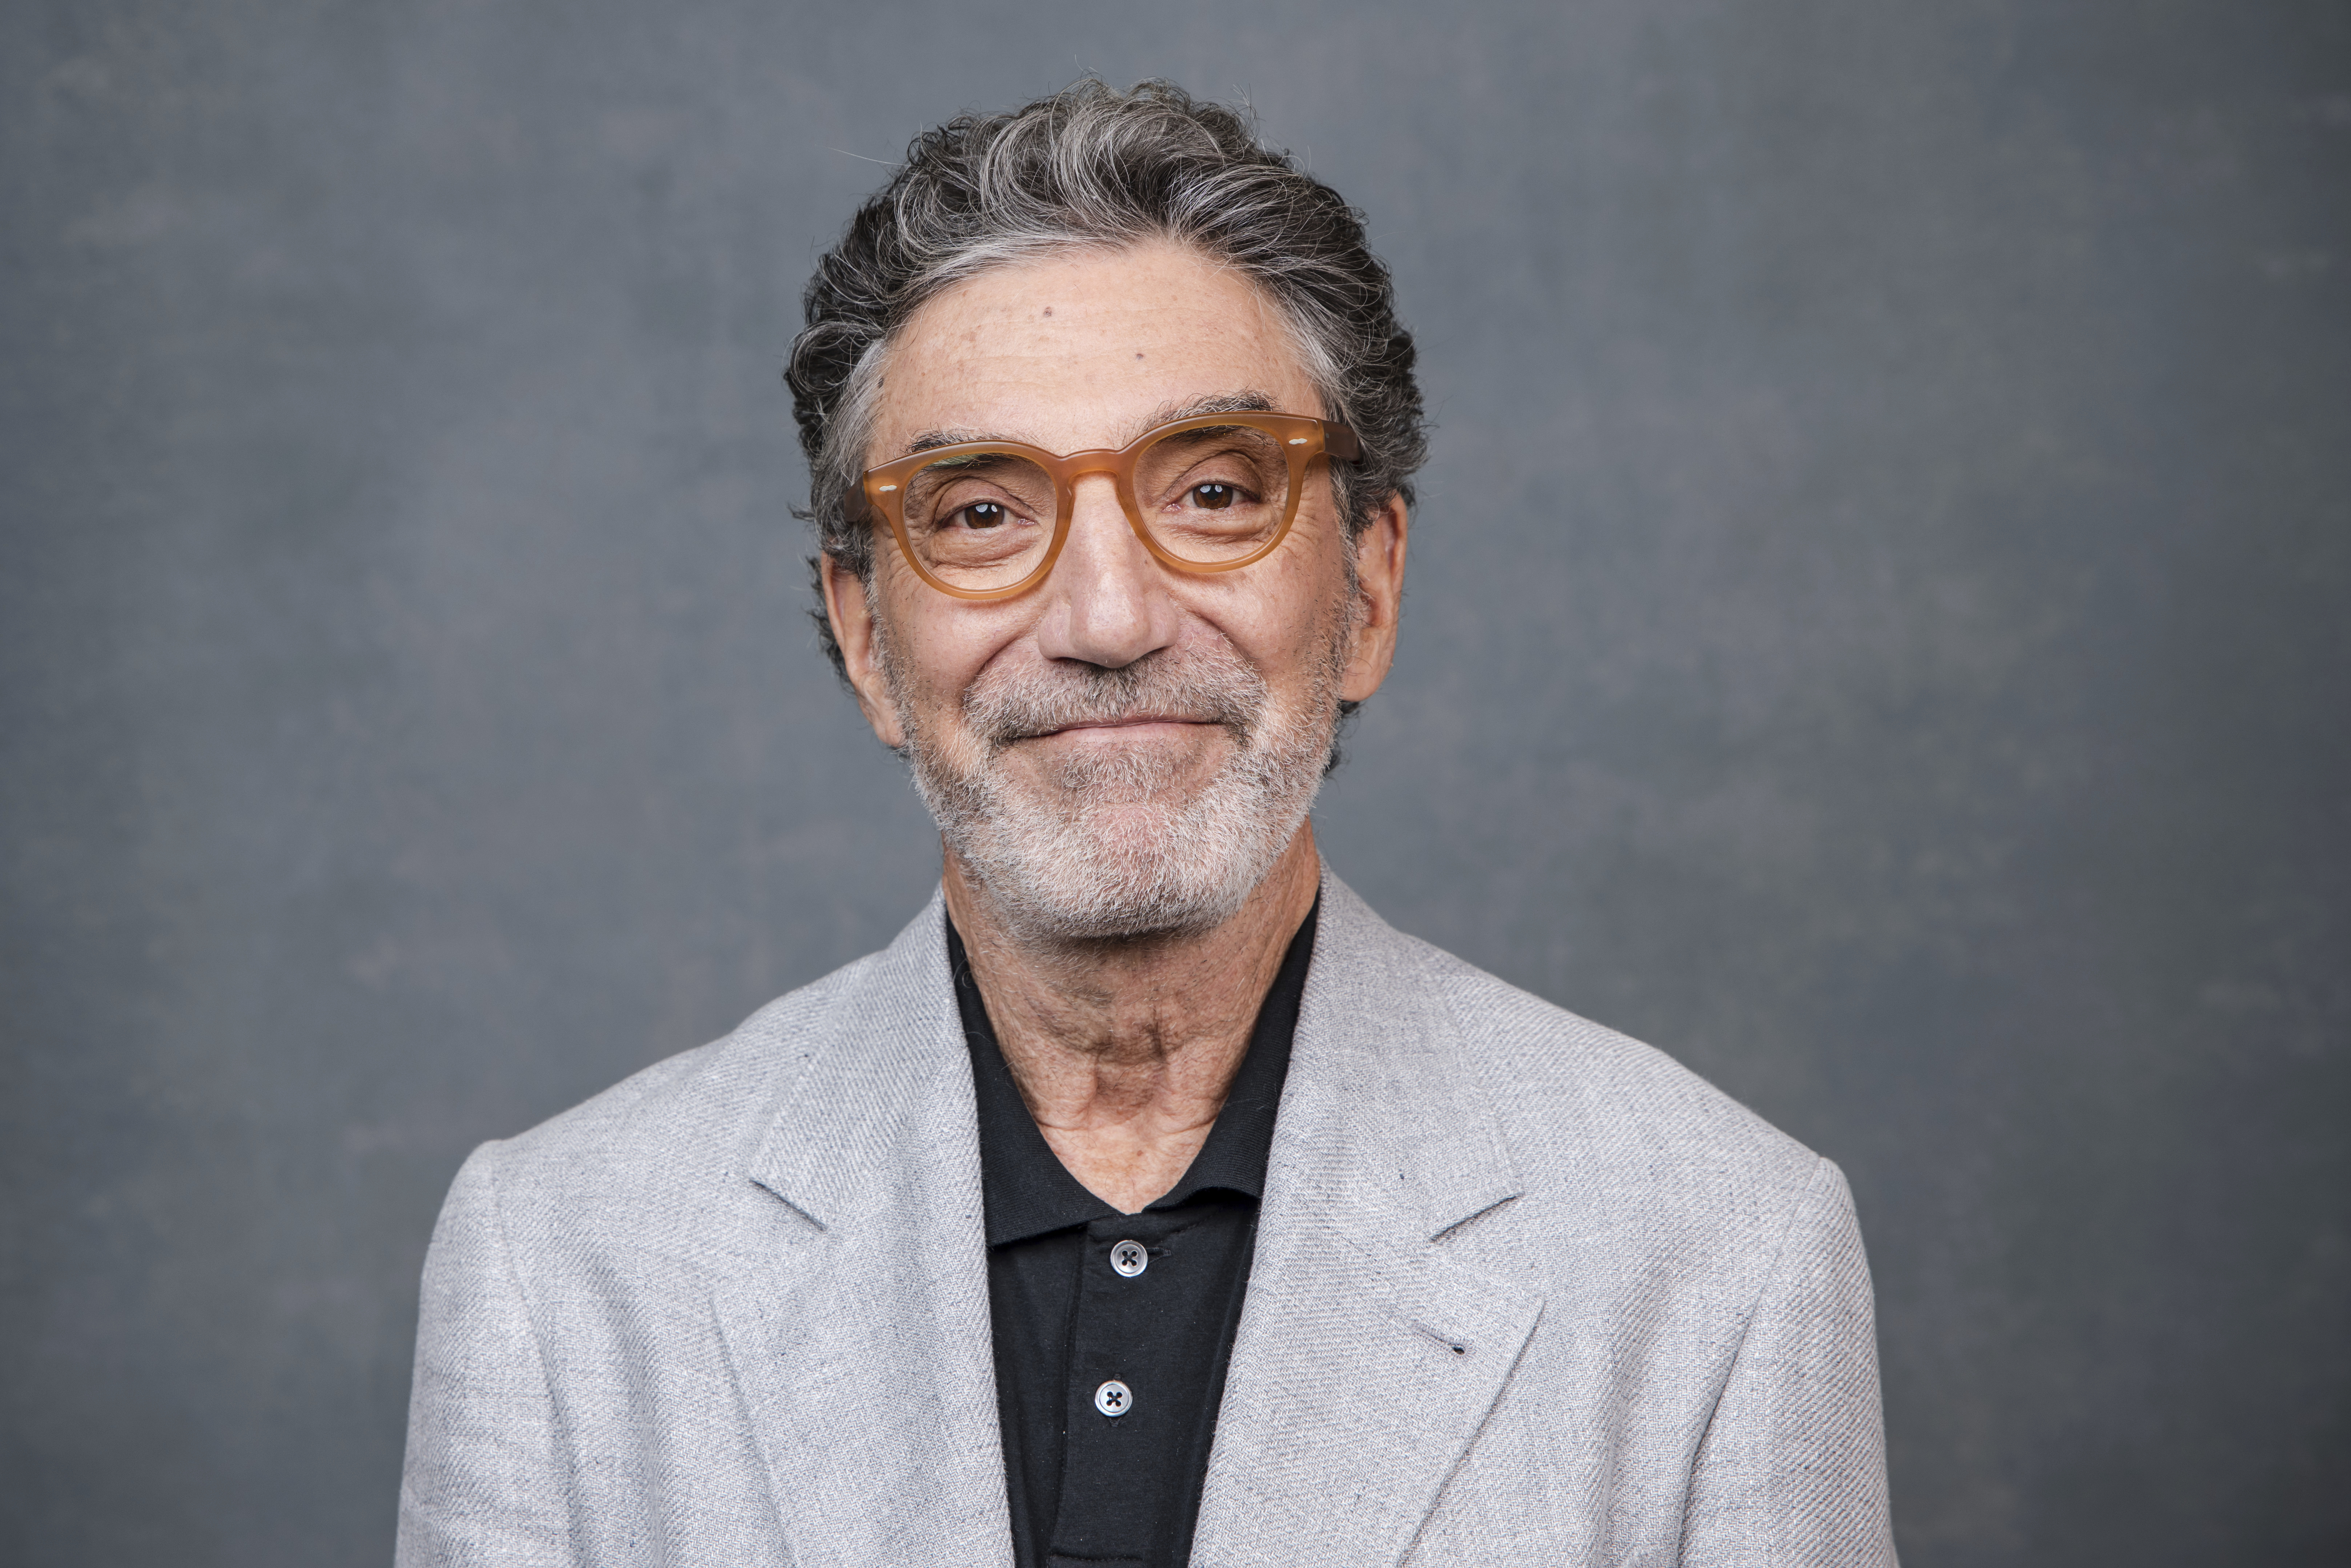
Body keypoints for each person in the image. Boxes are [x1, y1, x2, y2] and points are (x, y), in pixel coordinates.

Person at [397, 80, 1897, 1568]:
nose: (1108, 618)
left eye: (1218, 491)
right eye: (980, 511)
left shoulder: (1719, 1252)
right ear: (864, 636)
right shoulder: (564, 1262)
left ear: (1367, 589)